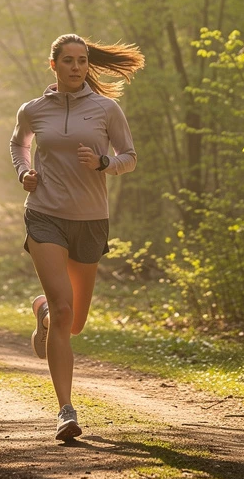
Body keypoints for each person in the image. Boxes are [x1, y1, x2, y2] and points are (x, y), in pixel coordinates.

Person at [9, 33, 144, 441]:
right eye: (67, 60)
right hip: (44, 215)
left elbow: (130, 158)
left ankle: (43, 313)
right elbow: (19, 143)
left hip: (90, 220)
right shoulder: (33, 109)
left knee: (75, 322)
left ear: (88, 65)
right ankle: (65, 410)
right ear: (54, 65)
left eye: (82, 61)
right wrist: (24, 173)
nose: (75, 67)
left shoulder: (106, 109)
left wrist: (104, 162)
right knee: (65, 311)